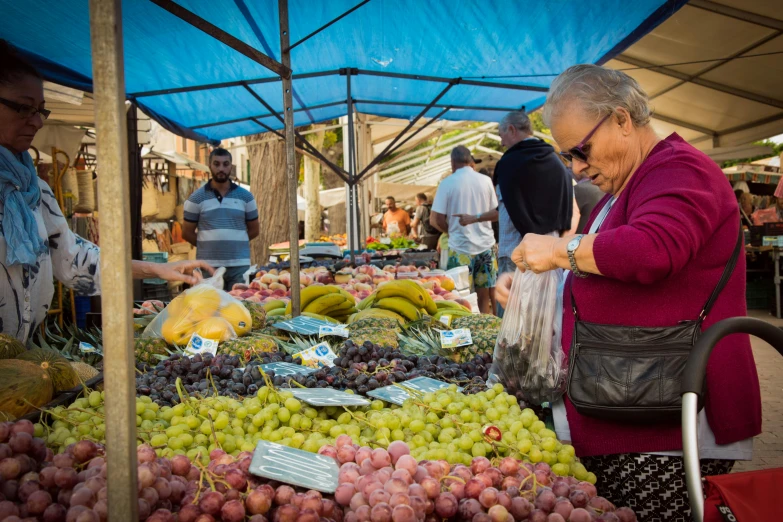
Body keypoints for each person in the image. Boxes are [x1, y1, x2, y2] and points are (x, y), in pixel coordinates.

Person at [495, 64, 760, 521]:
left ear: (621, 120)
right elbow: (612, 270)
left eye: (583, 149)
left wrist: (559, 251)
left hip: (663, 426)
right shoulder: (630, 182)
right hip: (633, 408)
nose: (578, 168)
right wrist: (544, 284)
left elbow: (653, 249)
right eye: (568, 156)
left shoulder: (679, 170)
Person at [0, 40, 213, 342]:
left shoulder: (35, 193)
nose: (36, 121)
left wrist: (161, 269)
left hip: (23, 366)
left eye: (40, 110)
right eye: (23, 108)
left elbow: (75, 260)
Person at [430, 146, 498, 314]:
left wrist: (450, 231)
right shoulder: (485, 180)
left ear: (452, 162)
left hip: (459, 248)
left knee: (460, 298)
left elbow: (435, 219)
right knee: (485, 296)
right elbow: (496, 213)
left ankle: (465, 334)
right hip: (486, 247)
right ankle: (487, 331)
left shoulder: (447, 183)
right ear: (471, 161)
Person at [182, 148, 259, 291]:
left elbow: (254, 230)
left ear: (231, 166)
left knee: (239, 306)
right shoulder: (196, 199)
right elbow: (187, 233)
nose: (221, 168)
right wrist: (208, 245)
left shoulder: (246, 197)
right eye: (216, 164)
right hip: (208, 267)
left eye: (226, 164)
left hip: (239, 266)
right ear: (209, 165)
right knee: (210, 308)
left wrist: (234, 244)